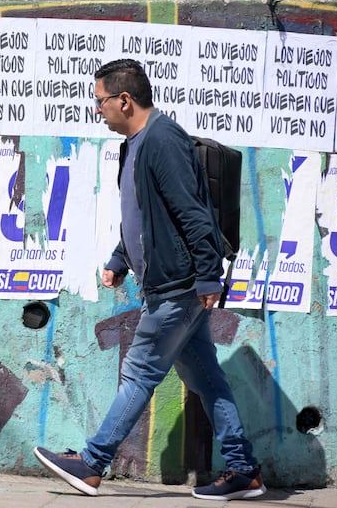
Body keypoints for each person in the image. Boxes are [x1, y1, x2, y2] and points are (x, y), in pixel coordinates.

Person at [33, 58, 266, 501]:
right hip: (168, 284)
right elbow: (145, 216)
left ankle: (92, 463)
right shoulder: (135, 144)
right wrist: (121, 258)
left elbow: (193, 212)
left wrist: (207, 277)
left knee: (139, 373)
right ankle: (244, 469)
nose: (97, 110)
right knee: (207, 378)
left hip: (177, 287)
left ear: (124, 100)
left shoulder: (162, 140)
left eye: (100, 101)